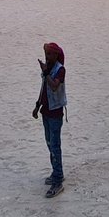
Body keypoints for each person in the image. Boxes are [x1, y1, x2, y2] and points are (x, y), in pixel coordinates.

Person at [33, 41, 67, 197]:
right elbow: (43, 89)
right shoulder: (49, 69)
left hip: (55, 113)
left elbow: (54, 86)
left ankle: (58, 180)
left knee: (55, 146)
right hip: (46, 112)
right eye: (46, 54)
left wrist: (46, 73)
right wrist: (37, 105)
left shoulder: (60, 70)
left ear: (56, 55)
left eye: (49, 54)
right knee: (50, 144)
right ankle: (56, 173)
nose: (47, 57)